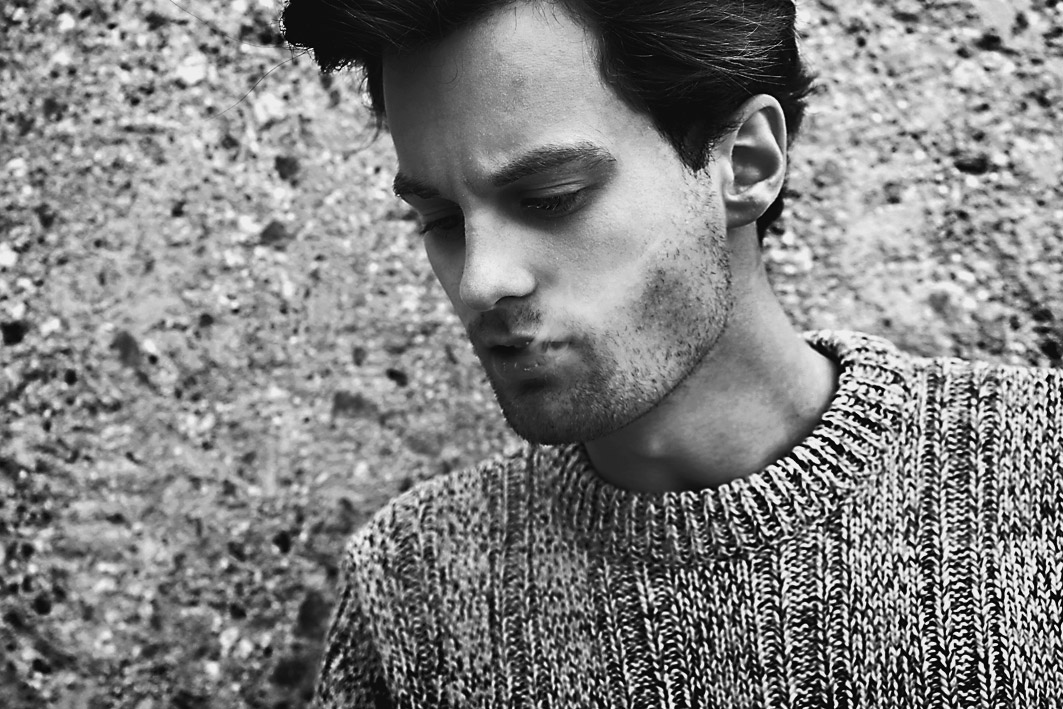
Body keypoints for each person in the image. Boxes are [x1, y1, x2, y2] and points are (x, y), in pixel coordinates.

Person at [281, 0, 1063, 706]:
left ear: (745, 162)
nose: (480, 280)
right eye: (441, 220)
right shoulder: (413, 584)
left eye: (549, 198)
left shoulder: (1040, 465)